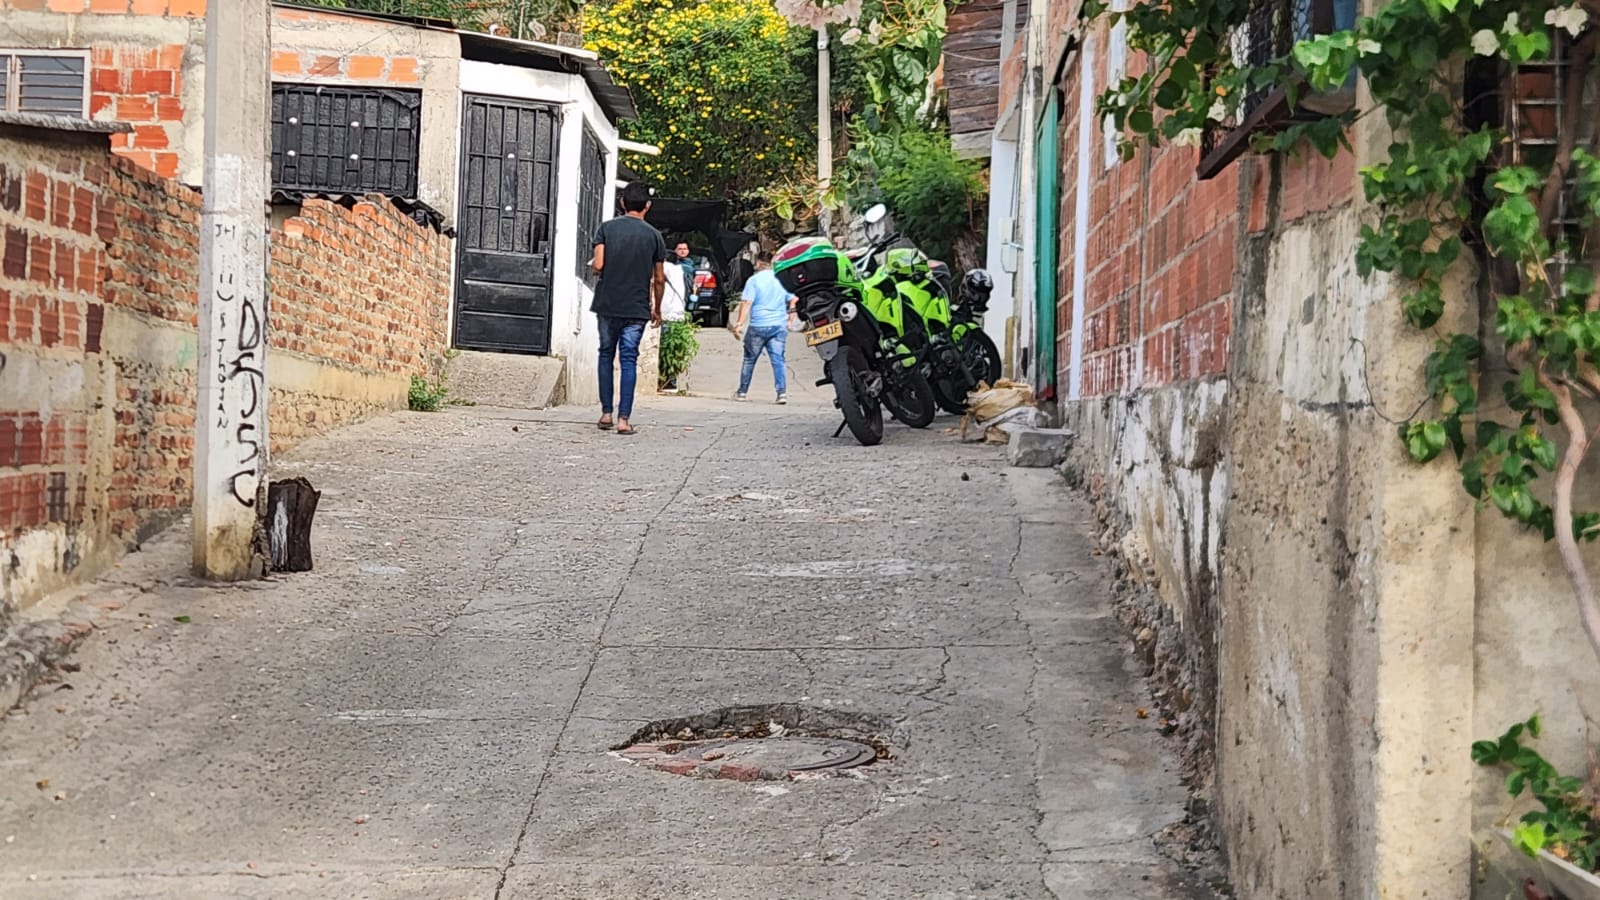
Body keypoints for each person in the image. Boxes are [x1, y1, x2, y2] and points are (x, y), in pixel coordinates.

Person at [590, 181, 666, 435]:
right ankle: (624, 420)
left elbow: (598, 265)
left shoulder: (606, 229)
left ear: (622, 204)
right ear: (647, 205)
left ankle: (606, 413)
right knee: (629, 358)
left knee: (605, 354)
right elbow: (658, 278)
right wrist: (657, 308)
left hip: (608, 303)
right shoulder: (654, 236)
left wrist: (597, 267)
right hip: (636, 307)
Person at [731, 249, 796, 404]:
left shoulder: (754, 281)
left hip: (758, 325)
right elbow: (793, 299)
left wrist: (739, 323)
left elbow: (747, 302)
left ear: (758, 263)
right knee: (778, 360)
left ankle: (742, 392)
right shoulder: (782, 279)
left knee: (749, 359)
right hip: (778, 325)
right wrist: (790, 318)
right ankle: (781, 393)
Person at [658, 253, 688, 392]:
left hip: (668, 314)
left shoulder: (666, 268)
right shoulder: (678, 270)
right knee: (673, 350)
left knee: (664, 348)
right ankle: (671, 381)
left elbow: (657, 278)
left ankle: (667, 381)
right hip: (678, 314)